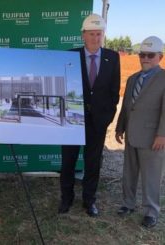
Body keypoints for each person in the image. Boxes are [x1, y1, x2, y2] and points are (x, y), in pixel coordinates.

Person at [58, 14, 120, 216]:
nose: (95, 38)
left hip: (98, 121)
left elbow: (114, 91)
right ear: (83, 35)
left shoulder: (113, 57)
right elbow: (63, 88)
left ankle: (89, 201)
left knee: (93, 163)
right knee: (68, 161)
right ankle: (66, 199)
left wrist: (108, 117)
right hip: (72, 120)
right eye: (91, 34)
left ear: (103, 35)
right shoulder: (70, 56)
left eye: (99, 34)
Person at [115, 36, 165, 228]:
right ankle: (128, 204)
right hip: (131, 134)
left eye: (150, 55)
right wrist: (120, 128)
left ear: (159, 57)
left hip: (153, 138)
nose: (145, 58)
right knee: (129, 172)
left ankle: (151, 212)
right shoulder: (133, 79)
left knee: (151, 176)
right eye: (142, 54)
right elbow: (127, 106)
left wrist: (162, 134)